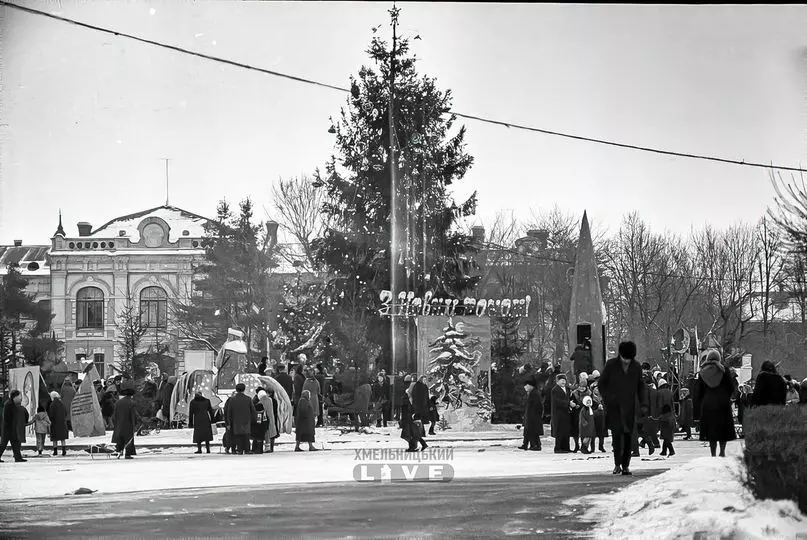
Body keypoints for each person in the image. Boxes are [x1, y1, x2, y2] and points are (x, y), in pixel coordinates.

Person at [598, 341, 646, 476]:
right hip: (614, 407)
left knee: (628, 437)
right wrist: (608, 398)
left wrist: (643, 404)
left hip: (629, 407)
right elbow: (602, 384)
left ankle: (626, 465)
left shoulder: (636, 367)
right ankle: (617, 464)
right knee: (616, 436)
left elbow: (640, 385)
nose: (626, 361)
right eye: (624, 359)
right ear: (620, 355)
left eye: (629, 359)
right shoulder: (611, 365)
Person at [697, 350, 737, 457]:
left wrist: (702, 401)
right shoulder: (724, 371)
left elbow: (699, 391)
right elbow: (731, 387)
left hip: (708, 403)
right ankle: (722, 451)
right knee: (723, 429)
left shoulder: (702, 372)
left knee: (711, 429)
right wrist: (726, 397)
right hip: (722, 402)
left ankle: (713, 453)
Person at [226, 383, 256, 455]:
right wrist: (253, 420)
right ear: (244, 389)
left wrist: (229, 423)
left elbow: (229, 412)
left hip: (236, 421)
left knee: (238, 436)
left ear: (236, 390)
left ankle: (239, 450)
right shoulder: (248, 399)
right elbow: (253, 411)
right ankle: (247, 450)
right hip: (246, 421)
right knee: (246, 436)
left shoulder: (232, 400)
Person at [111, 385, 138, 459]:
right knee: (129, 438)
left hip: (119, 423)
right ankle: (128, 454)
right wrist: (135, 423)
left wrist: (115, 422)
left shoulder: (118, 402)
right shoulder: (132, 402)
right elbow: (134, 414)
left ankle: (119, 451)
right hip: (128, 423)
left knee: (120, 438)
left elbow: (114, 414)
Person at [0, 390, 25, 463]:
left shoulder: (12, 404)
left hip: (11, 427)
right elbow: (7, 417)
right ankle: (18, 458)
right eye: (19, 396)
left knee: (15, 443)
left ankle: (18, 458)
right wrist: (10, 426)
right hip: (8, 428)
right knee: (3, 444)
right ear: (15, 396)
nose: (20, 398)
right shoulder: (9, 404)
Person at [550, 374, 572, 453]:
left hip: (566, 413)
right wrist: (568, 403)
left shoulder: (567, 389)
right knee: (559, 431)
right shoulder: (555, 390)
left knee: (566, 430)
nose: (563, 381)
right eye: (561, 380)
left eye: (564, 380)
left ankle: (566, 447)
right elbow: (557, 401)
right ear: (557, 381)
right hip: (558, 413)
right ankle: (558, 448)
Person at [569, 373, 590, 453]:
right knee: (575, 430)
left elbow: (590, 402)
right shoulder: (574, 393)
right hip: (575, 414)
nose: (581, 388)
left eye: (583, 387)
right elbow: (571, 401)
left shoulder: (589, 393)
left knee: (584, 430)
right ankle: (576, 445)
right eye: (580, 387)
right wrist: (573, 405)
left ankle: (584, 446)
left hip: (585, 414)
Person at [47, 391, 69, 457]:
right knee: (62, 438)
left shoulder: (52, 404)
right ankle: (64, 451)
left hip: (55, 423)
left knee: (54, 438)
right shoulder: (62, 403)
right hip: (62, 423)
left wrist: (50, 421)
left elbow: (51, 415)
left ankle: (55, 451)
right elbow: (65, 412)